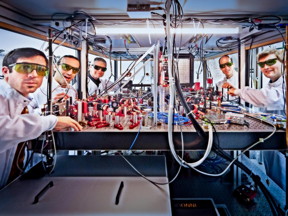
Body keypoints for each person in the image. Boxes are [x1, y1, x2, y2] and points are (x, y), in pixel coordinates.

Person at [0, 48, 83, 189]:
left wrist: (47, 110)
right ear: (6, 71)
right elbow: (3, 130)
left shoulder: (23, 98)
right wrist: (52, 121)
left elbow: (25, 117)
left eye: (40, 70)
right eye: (25, 67)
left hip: (10, 180)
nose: (33, 75)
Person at [223, 48, 286, 191]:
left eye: (270, 62)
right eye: (262, 65)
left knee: (282, 177)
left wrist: (239, 92)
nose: (266, 67)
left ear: (283, 62)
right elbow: (264, 102)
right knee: (274, 177)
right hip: (273, 135)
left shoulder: (283, 84)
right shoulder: (272, 83)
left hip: (282, 138)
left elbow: (268, 98)